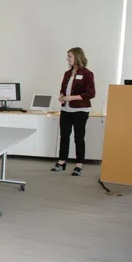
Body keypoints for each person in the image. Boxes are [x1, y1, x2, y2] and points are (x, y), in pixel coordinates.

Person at [52, 47, 96, 176]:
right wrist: (61, 96)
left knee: (78, 137)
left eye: (69, 56)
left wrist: (72, 97)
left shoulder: (87, 73)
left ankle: (79, 164)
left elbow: (91, 93)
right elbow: (63, 89)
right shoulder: (67, 73)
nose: (67, 58)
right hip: (66, 109)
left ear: (77, 56)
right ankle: (61, 162)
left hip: (80, 110)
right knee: (64, 136)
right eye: (67, 56)